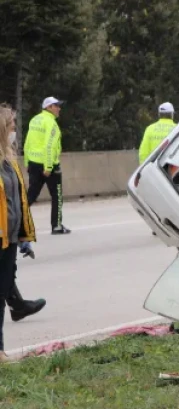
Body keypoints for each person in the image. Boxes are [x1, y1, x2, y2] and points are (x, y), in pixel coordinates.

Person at [0, 104, 38, 363]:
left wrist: (24, 236)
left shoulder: (10, 160)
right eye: (12, 126)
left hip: (10, 239)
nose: (15, 130)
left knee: (1, 296)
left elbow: (19, 199)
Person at [24, 97, 69, 235]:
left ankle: (13, 221)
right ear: (49, 107)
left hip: (33, 163)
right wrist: (48, 167)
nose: (59, 108)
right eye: (56, 106)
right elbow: (49, 146)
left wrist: (27, 162)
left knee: (31, 195)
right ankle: (56, 226)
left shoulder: (34, 120)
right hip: (48, 166)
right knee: (57, 196)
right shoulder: (51, 123)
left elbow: (27, 142)